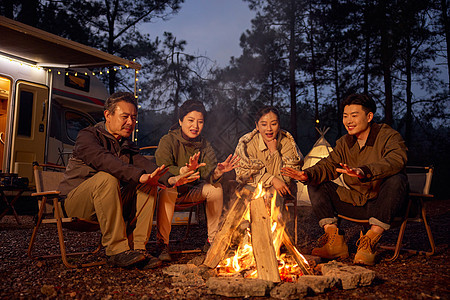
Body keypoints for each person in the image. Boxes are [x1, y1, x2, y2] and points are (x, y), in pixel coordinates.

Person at [58, 92, 198, 268]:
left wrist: (172, 180)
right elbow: (104, 160)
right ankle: (116, 250)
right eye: (125, 117)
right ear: (108, 115)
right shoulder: (88, 136)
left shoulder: (125, 145)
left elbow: (147, 167)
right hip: (74, 205)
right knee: (107, 177)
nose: (130, 122)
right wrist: (139, 175)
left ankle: (138, 249)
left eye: (133, 117)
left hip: (108, 204)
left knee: (148, 184)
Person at [281, 93, 408, 265]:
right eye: (345, 116)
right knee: (315, 181)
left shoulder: (388, 136)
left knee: (397, 179)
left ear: (369, 116)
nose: (348, 121)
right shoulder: (345, 143)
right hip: (356, 203)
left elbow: (396, 159)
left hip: (384, 203)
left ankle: (369, 242)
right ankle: (335, 242)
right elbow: (328, 165)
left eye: (354, 116)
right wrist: (307, 174)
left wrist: (364, 171)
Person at [154, 100, 239, 261]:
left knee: (215, 188)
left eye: (200, 122)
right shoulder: (168, 140)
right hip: (171, 189)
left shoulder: (204, 144)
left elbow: (208, 172)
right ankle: (162, 244)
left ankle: (212, 240)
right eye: (190, 121)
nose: (195, 126)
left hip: (192, 191)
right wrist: (183, 171)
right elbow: (162, 168)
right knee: (168, 189)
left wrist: (218, 171)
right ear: (180, 121)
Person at [234, 106, 303, 208]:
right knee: (246, 193)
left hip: (281, 190)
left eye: (273, 124)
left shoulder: (287, 143)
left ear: (279, 125)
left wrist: (274, 152)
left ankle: (276, 223)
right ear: (257, 126)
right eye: (264, 124)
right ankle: (246, 223)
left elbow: (286, 178)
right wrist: (272, 179)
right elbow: (245, 174)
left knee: (275, 193)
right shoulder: (248, 144)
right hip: (253, 187)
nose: (269, 129)